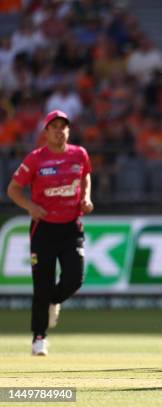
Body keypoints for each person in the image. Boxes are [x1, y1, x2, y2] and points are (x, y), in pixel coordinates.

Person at [7, 110, 93, 356]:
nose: (59, 130)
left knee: (74, 279)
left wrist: (86, 197)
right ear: (46, 132)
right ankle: (39, 337)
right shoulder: (35, 159)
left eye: (63, 126)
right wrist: (30, 206)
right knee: (41, 285)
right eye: (54, 126)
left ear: (68, 130)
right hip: (43, 229)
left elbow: (86, 175)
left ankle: (53, 301)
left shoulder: (80, 154)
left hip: (71, 227)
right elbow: (13, 189)